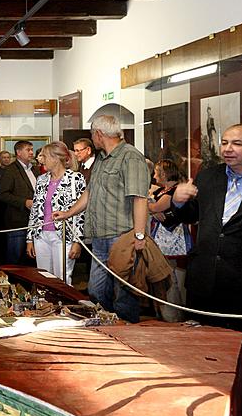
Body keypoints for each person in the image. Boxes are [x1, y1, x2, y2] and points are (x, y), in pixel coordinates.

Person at [172, 124, 242, 416]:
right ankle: (198, 410)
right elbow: (190, 214)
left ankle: (240, 412)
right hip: (202, 282)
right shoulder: (210, 176)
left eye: (237, 144)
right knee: (198, 355)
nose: (227, 149)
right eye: (225, 142)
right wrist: (178, 199)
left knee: (241, 359)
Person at [53, 115, 149, 323]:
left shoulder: (130, 157)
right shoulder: (102, 159)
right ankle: (108, 329)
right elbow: (90, 192)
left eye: (91, 134)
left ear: (98, 134)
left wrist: (140, 235)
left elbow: (140, 198)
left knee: (124, 295)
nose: (92, 138)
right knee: (96, 292)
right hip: (99, 238)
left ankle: (127, 337)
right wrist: (68, 213)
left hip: (122, 238)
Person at [26, 142, 86, 284]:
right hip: (41, 236)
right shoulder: (41, 180)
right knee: (43, 278)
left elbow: (82, 212)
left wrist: (78, 241)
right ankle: (46, 306)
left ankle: (63, 306)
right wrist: (30, 239)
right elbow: (35, 211)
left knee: (62, 278)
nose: (41, 160)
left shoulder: (75, 179)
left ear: (56, 158)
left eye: (44, 156)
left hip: (64, 236)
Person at [148, 159, 190, 323]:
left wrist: (151, 207)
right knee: (163, 280)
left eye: (157, 171)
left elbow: (156, 208)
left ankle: (174, 317)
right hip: (160, 241)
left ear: (165, 173)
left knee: (170, 280)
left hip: (172, 243)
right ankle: (164, 314)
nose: (154, 175)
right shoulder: (163, 191)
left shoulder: (174, 191)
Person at [0, 140, 40, 266]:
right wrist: (24, 202)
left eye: (32, 149)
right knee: (15, 258)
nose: (31, 152)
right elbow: (3, 194)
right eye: (28, 150)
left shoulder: (35, 169)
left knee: (31, 259)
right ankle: (11, 283)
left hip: (34, 221)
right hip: (17, 220)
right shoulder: (11, 170)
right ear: (19, 152)